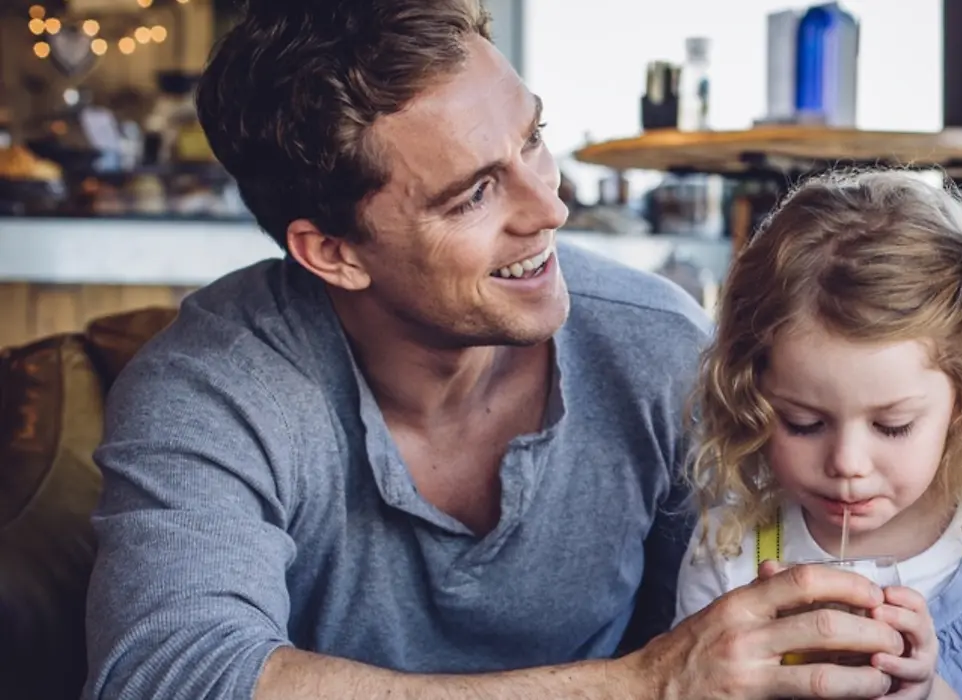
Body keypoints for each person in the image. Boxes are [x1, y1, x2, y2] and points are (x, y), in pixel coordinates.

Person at [84, 2, 909, 698]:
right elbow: (167, 672)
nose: (549, 207)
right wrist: (637, 685)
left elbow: (720, 615)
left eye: (532, 140)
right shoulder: (213, 386)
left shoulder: (658, 351)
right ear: (333, 251)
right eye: (474, 193)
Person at [676, 170, 962, 700]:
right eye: (804, 423)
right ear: (751, 396)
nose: (847, 463)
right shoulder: (729, 549)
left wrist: (927, 692)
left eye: (892, 426)